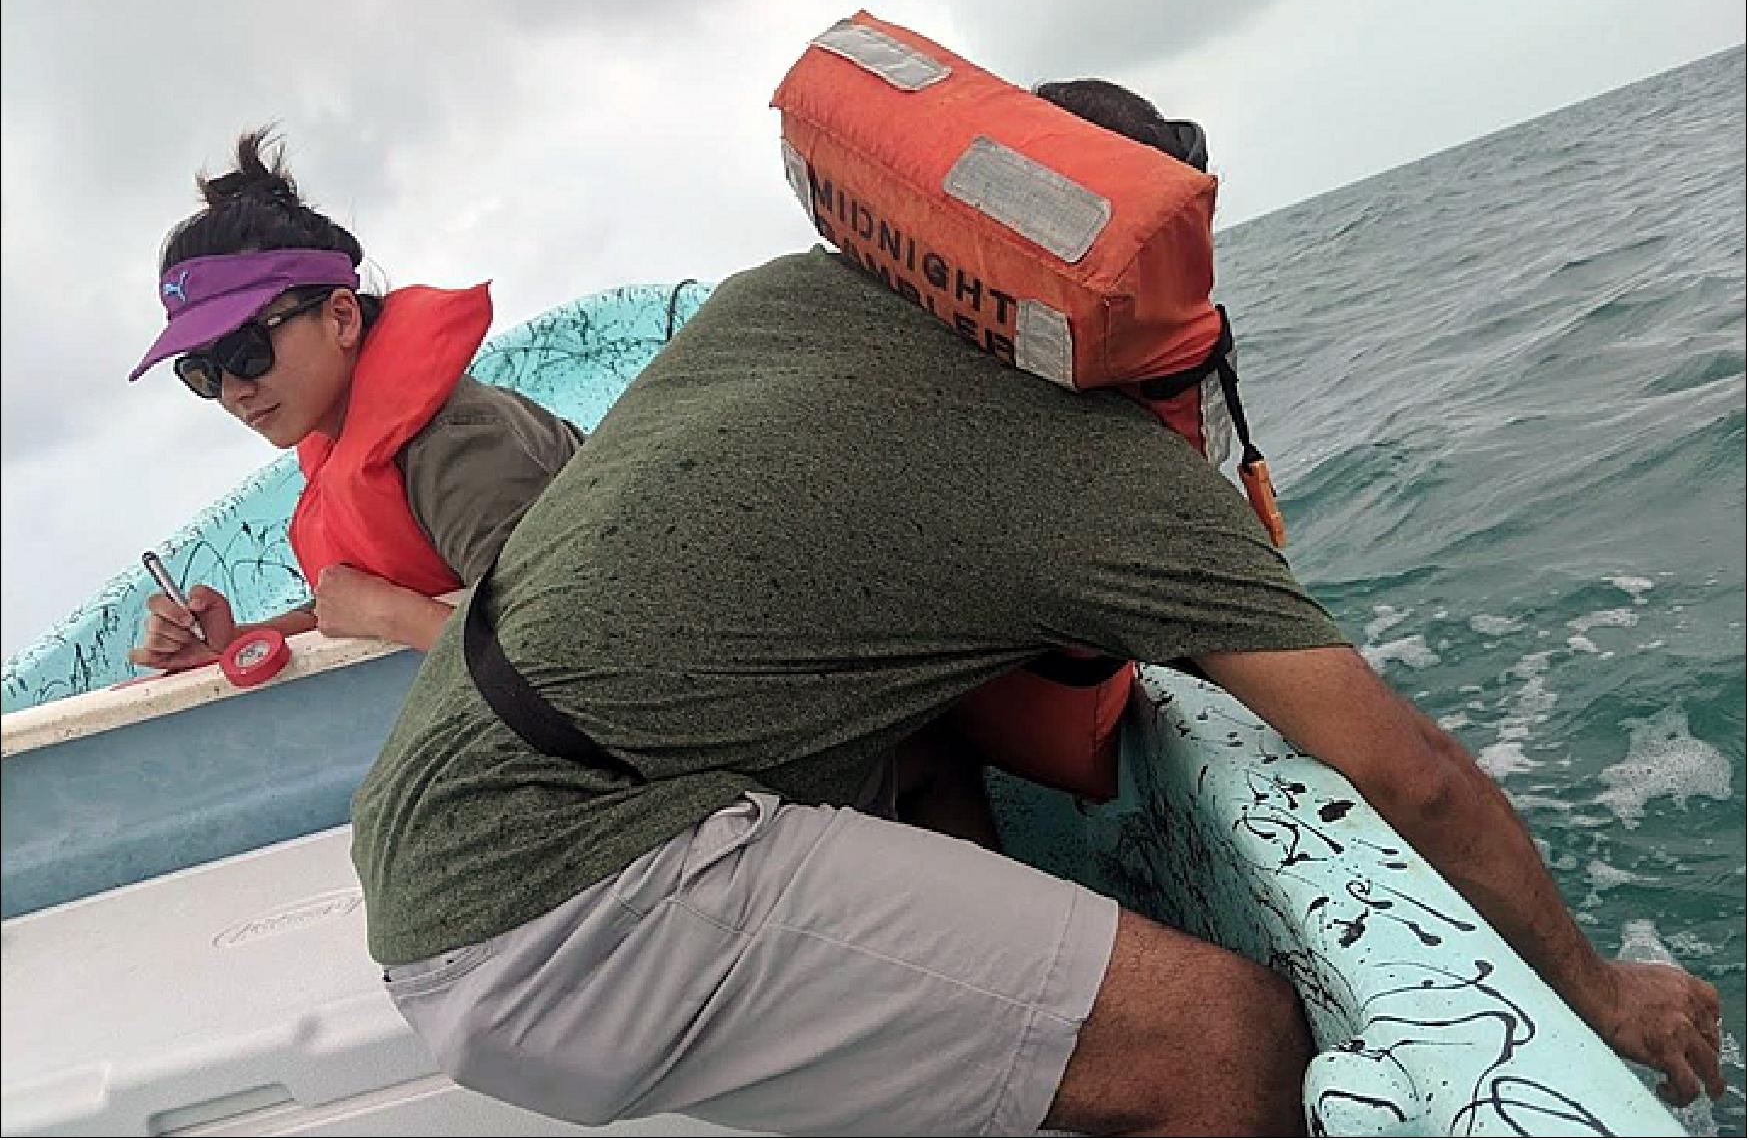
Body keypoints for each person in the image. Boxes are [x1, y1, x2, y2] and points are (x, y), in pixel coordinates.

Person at [349, 82, 1725, 1137]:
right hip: (561, 896)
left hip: (436, 831)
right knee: (1220, 1040)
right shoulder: (1085, 467)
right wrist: (1600, 990)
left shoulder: (777, 304)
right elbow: (1404, 771)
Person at [126, 130, 584, 671]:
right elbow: (351, 603)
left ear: (341, 318)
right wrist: (231, 643)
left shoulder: (459, 448)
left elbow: (565, 654)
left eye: (245, 350)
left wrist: (389, 615)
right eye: (203, 372)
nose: (233, 391)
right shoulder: (339, 445)